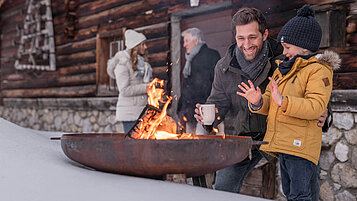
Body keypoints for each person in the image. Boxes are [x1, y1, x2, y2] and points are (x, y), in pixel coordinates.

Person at [193, 7, 329, 200]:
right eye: (241, 38)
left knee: (306, 187)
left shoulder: (287, 57)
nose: (246, 44)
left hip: (284, 133)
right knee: (223, 187)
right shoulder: (224, 67)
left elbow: (318, 87)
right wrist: (208, 117)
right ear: (235, 37)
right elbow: (217, 103)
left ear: (265, 34)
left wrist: (324, 112)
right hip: (242, 138)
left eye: (252, 37)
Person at [237, 5, 340, 201]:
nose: (284, 52)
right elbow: (272, 101)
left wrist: (284, 101)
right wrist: (258, 102)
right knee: (292, 194)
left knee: (301, 196)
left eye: (287, 47)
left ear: (303, 46)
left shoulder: (318, 70)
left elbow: (316, 106)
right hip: (284, 145)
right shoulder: (283, 69)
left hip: (300, 147)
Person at [107, 29, 152, 133]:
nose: (146, 47)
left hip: (142, 112)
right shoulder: (122, 64)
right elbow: (124, 90)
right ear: (135, 46)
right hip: (130, 115)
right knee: (134, 147)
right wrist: (147, 87)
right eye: (142, 44)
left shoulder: (142, 63)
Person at [177, 28, 220, 135]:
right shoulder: (191, 59)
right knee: (190, 145)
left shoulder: (210, 56)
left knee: (202, 145)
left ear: (196, 41)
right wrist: (181, 107)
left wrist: (205, 108)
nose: (184, 45)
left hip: (203, 111)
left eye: (187, 41)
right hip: (190, 111)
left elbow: (209, 85)